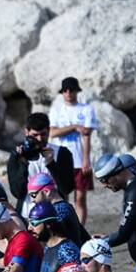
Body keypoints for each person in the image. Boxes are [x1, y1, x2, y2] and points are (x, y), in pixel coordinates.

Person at [49, 77, 98, 224]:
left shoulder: (86, 109)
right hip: (61, 159)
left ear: (77, 91)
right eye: (65, 90)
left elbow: (87, 136)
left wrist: (86, 159)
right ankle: (64, 228)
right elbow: (52, 132)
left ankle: (79, 230)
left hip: (79, 159)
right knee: (62, 197)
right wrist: (74, 127)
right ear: (62, 93)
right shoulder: (56, 110)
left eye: (71, 90)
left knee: (80, 198)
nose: (68, 93)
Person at [7, 112, 74, 216]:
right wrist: (23, 164)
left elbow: (67, 188)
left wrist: (51, 163)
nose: (39, 139)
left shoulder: (62, 153)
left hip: (57, 214)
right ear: (26, 132)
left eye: (43, 134)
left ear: (49, 131)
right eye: (35, 135)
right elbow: (18, 193)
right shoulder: (17, 156)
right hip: (27, 216)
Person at [25, 172, 85, 246]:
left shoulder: (59, 211)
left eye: (33, 195)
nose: (32, 200)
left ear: (46, 191)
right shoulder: (65, 206)